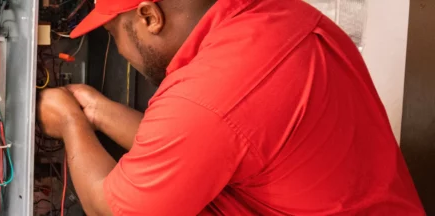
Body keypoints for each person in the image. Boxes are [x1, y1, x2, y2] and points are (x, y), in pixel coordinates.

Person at [36, 0, 425, 215]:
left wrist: (70, 124)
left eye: (113, 34)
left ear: (150, 16)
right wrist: (96, 111)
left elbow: (112, 209)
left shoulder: (207, 93)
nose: (119, 50)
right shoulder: (283, 15)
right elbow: (200, 148)